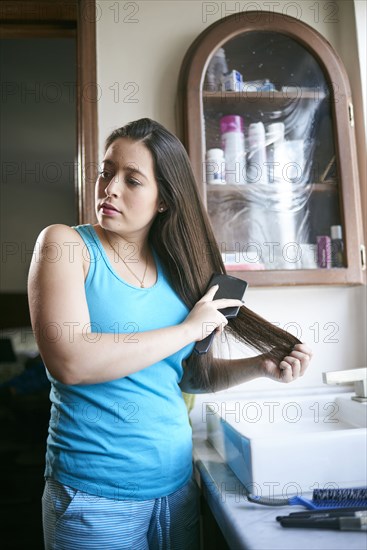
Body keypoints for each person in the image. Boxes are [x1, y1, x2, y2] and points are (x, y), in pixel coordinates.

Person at [28, 118, 312, 549]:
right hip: (95, 497)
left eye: (133, 180)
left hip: (177, 488)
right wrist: (186, 328)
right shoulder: (65, 246)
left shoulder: (180, 272)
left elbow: (187, 376)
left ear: (164, 199)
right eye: (107, 171)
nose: (110, 188)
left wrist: (260, 366)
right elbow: (72, 362)